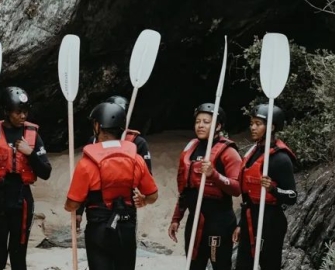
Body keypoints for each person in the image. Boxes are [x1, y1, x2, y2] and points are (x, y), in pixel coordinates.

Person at [65, 101, 158, 270]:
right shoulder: (136, 159)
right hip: (126, 227)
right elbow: (152, 195)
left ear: (97, 126)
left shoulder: (87, 164)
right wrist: (143, 200)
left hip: (98, 230)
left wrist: (71, 208)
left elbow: (72, 203)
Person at [0, 86, 52, 270]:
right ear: (6, 111)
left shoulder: (33, 134)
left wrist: (30, 153)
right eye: (18, 112)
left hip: (22, 200)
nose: (23, 116)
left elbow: (46, 172)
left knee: (18, 257)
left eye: (25, 112)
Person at [167, 103, 241, 270]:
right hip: (195, 220)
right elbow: (185, 189)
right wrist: (176, 218)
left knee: (220, 266)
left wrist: (214, 174)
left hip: (219, 221)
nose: (200, 125)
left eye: (206, 122)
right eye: (198, 121)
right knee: (193, 266)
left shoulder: (229, 152)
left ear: (218, 125)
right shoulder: (191, 148)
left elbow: (236, 188)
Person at [234, 104, 297, 270]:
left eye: (258, 124)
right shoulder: (253, 152)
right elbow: (247, 197)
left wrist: (273, 189)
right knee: (243, 266)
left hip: (271, 221)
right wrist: (241, 224)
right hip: (250, 217)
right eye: (251, 123)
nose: (252, 128)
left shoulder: (281, 158)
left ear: (272, 127)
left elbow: (292, 196)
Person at [76, 95, 152, 230]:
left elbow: (147, 178)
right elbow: (84, 179)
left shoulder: (137, 143)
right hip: (97, 207)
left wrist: (143, 197)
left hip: (125, 207)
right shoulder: (93, 142)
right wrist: (78, 211)